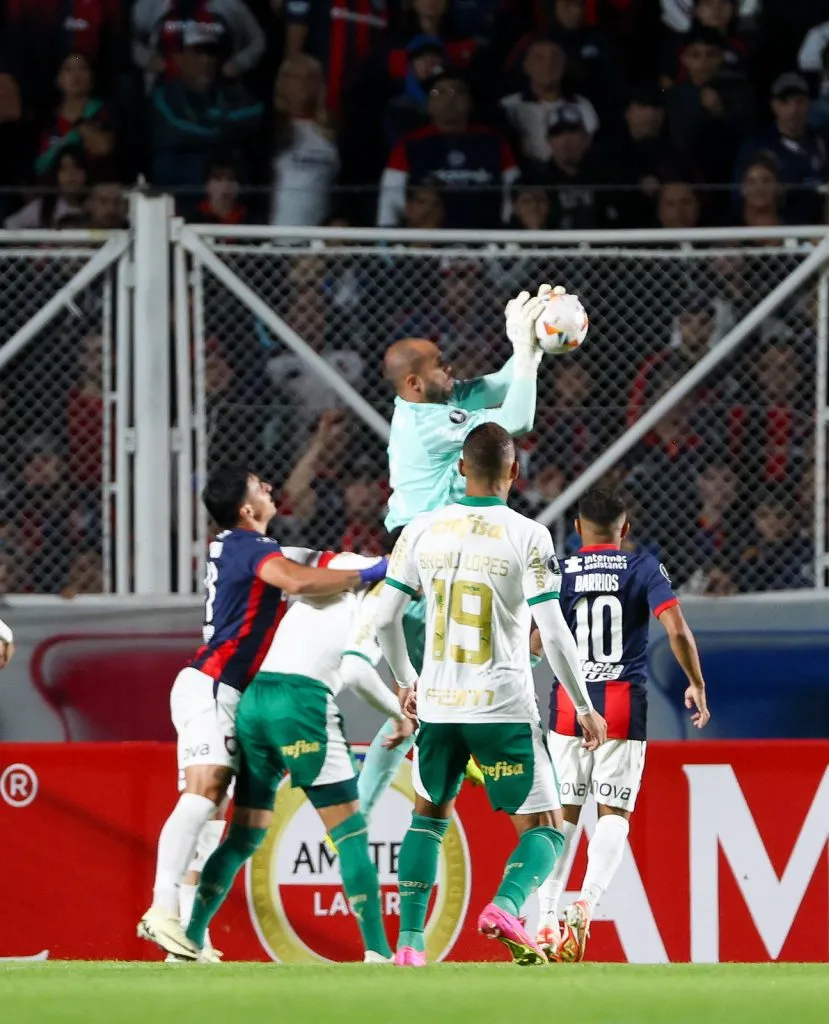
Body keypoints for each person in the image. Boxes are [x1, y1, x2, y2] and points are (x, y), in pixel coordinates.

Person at [375, 422, 606, 966]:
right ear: (514, 472)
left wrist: (408, 679)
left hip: (436, 703)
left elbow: (386, 617)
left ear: (459, 469)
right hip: (500, 706)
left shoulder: (421, 530)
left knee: (427, 818)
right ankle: (503, 906)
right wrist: (585, 706)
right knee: (547, 829)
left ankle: (408, 946)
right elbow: (551, 632)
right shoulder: (530, 535)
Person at [136, 465, 389, 959]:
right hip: (214, 685)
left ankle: (187, 938)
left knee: (218, 814)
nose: (270, 487)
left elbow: (309, 566)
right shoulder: (248, 547)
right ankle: (162, 907)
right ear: (247, 509)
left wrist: (359, 564)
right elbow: (297, 578)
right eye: (259, 485)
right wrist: (376, 572)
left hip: (236, 694)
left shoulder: (247, 547)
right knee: (204, 791)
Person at [173, 555, 416, 964]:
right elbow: (356, 672)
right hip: (300, 703)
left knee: (244, 836)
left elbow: (299, 558)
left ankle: (189, 942)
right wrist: (399, 713)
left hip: (255, 700)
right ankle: (377, 951)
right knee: (351, 834)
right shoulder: (382, 597)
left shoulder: (342, 565)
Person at [534, 488, 710, 961]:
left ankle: (546, 917)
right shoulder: (642, 567)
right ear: (624, 529)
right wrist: (695, 682)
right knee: (613, 815)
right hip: (621, 706)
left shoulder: (561, 570)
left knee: (562, 815)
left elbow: (538, 640)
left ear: (576, 530)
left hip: (570, 706)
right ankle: (585, 906)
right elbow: (675, 628)